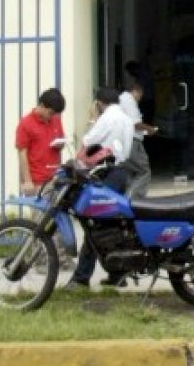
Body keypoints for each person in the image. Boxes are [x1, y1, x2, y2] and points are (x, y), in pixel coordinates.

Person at [65, 86, 136, 290]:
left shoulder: (107, 118)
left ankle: (81, 277)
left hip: (106, 174)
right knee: (113, 224)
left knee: (94, 224)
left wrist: (92, 120)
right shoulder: (127, 119)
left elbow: (88, 141)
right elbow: (126, 150)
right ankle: (118, 273)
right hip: (121, 173)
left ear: (99, 103)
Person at [15, 88, 67, 196]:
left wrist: (60, 145)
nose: (52, 116)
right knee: (42, 207)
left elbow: (61, 141)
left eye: (55, 114)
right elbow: (22, 154)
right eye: (50, 113)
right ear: (42, 106)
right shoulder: (26, 124)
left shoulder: (55, 120)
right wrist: (27, 181)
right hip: (37, 181)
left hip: (55, 178)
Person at [119, 78, 155, 198]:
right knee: (144, 171)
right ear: (136, 91)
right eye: (140, 95)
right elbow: (135, 123)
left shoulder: (122, 100)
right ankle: (134, 198)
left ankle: (126, 198)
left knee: (130, 172)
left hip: (124, 141)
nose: (140, 98)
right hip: (132, 141)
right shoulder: (128, 100)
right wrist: (149, 129)